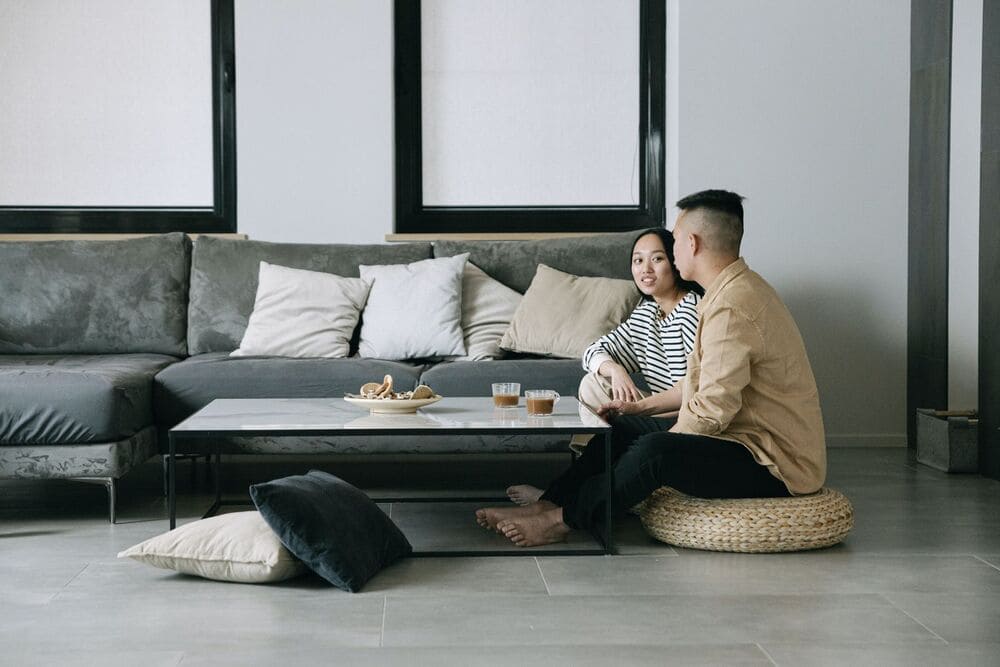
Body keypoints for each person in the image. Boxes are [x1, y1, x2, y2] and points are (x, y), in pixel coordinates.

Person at [477, 189, 826, 547]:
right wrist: (636, 410)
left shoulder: (731, 307)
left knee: (653, 452)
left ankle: (560, 520)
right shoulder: (728, 293)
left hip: (772, 464)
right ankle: (552, 502)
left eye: (672, 243)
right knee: (619, 425)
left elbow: (710, 412)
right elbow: (696, 386)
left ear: (691, 243)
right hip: (742, 438)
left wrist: (653, 445)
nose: (671, 252)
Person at [505, 227, 703, 506]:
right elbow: (593, 351)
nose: (646, 269)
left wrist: (637, 409)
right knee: (595, 383)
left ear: (675, 262)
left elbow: (699, 392)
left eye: (657, 259)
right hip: (657, 411)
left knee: (613, 428)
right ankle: (563, 495)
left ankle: (558, 497)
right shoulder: (648, 312)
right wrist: (616, 369)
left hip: (687, 418)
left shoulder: (691, 311)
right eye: (638, 260)